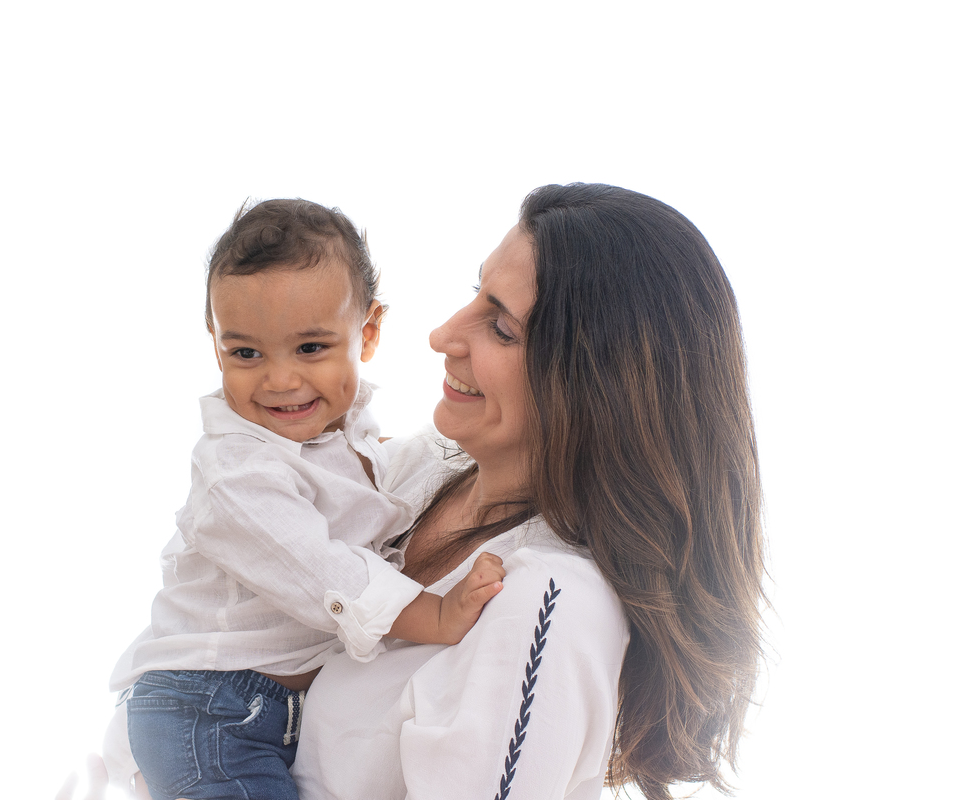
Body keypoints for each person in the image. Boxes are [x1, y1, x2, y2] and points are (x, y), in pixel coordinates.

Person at [87, 183, 765, 800]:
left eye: (499, 327)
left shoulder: (546, 600)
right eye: (475, 294)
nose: (443, 334)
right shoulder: (408, 480)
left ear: (594, 386)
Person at [105, 199, 507, 800]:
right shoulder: (236, 476)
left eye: (311, 349)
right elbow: (323, 571)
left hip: (264, 711)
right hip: (208, 711)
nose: (280, 380)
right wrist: (436, 615)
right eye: (246, 353)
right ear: (215, 342)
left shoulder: (339, 428)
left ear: (367, 333)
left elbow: (369, 482)